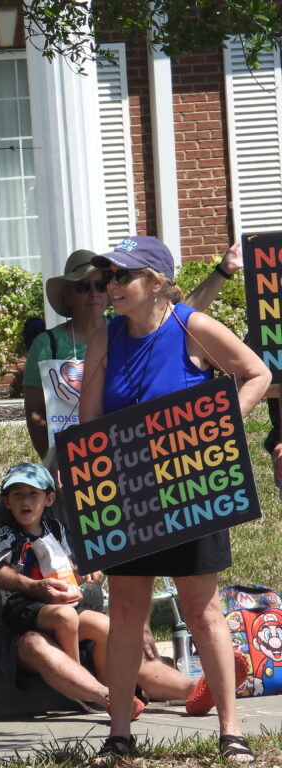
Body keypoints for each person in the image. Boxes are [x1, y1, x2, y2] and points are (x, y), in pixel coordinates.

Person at [78, 235, 268, 765]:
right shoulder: (105, 339)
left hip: (192, 485)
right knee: (126, 613)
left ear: (157, 282)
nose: (111, 286)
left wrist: (218, 429)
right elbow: (88, 423)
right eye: (107, 277)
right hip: (128, 490)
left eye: (123, 276)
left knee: (202, 609)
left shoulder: (191, 326)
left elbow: (256, 374)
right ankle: (119, 735)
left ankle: (231, 732)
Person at [0, 463, 151, 718]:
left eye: (33, 494)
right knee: (66, 616)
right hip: (20, 607)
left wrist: (85, 573)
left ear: (48, 499)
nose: (25, 501)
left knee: (106, 626)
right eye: (17, 495)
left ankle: (115, 696)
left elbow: (67, 569)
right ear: (6, 502)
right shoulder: (5, 534)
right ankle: (80, 687)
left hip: (56, 603)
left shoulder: (55, 529)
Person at [24, 242, 243, 460]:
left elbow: (173, 318)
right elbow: (38, 413)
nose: (97, 292)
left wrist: (222, 271)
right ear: (68, 295)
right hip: (109, 459)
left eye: (101, 284)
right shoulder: (54, 343)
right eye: (83, 287)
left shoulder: (128, 324)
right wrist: (52, 461)